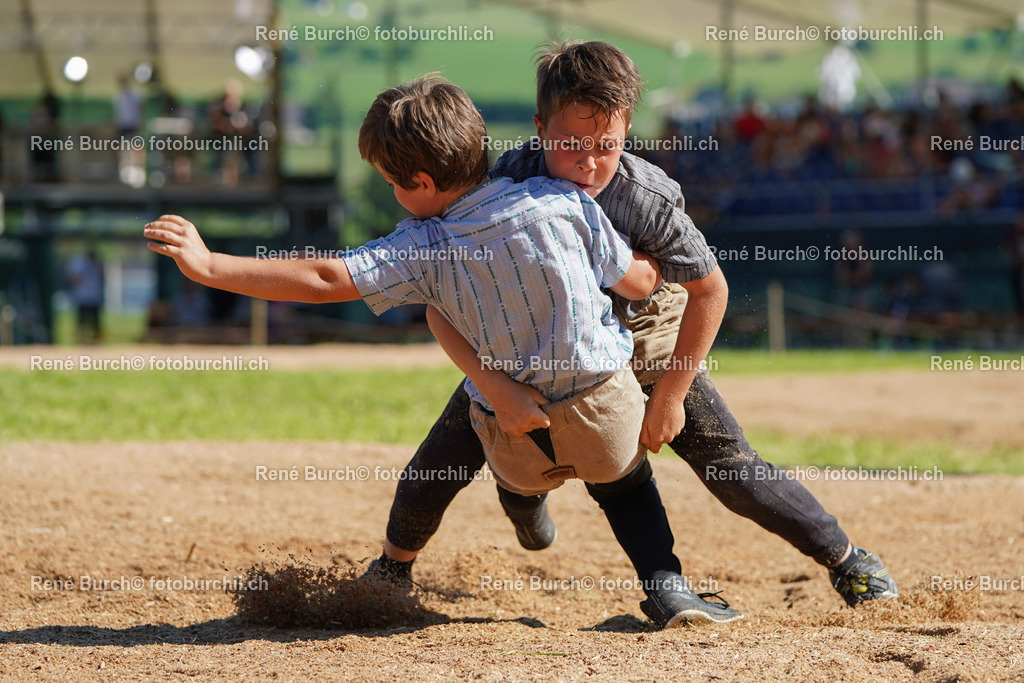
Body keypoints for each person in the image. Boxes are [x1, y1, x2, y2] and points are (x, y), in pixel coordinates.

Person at [145, 75, 742, 627]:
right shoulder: (560, 199)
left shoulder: (420, 247)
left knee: (435, 466)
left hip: (514, 438)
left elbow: (326, 278)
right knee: (625, 485)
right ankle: (666, 587)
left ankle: (393, 569)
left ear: (420, 184)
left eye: (389, 182)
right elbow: (640, 284)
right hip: (607, 423)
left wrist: (210, 265)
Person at [372, 40, 898, 611]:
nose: (589, 162)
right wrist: (494, 382)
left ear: (627, 131)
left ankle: (848, 561)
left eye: (607, 145)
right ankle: (395, 569)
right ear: (539, 128)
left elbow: (710, 289)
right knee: (443, 456)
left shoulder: (645, 198)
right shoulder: (513, 174)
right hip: (541, 341)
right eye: (570, 144)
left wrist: (669, 396)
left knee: (731, 468)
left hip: (643, 339)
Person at [64, 249, 105, 344]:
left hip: (94, 297)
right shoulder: (78, 263)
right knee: (81, 321)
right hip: (82, 297)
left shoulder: (97, 264)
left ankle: (96, 341)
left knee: (95, 322)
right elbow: (70, 278)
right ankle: (81, 340)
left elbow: (102, 277)